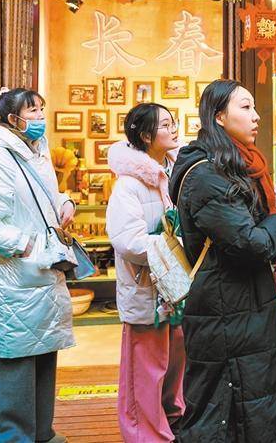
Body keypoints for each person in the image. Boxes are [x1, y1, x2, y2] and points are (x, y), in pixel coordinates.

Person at [169, 79, 276, 443]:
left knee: (257, 407)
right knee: (226, 413)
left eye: (254, 107)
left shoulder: (233, 167)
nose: (256, 116)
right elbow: (252, 244)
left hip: (243, 308)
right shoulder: (207, 175)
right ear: (218, 117)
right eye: (245, 107)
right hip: (226, 315)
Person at [0, 87, 75, 443]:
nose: (41, 116)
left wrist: (65, 203)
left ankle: (42, 434)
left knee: (42, 359)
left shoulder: (36, 152)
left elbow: (41, 199)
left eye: (42, 108)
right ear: (13, 119)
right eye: (33, 111)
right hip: (15, 280)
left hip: (42, 275)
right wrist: (26, 245)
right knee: (15, 365)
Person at [106, 104, 186, 442]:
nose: (173, 128)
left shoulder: (175, 171)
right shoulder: (129, 184)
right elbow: (127, 240)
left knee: (175, 364)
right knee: (146, 370)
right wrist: (176, 245)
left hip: (175, 289)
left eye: (173, 122)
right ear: (145, 135)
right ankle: (146, 434)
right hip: (146, 290)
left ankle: (173, 421)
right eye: (165, 125)